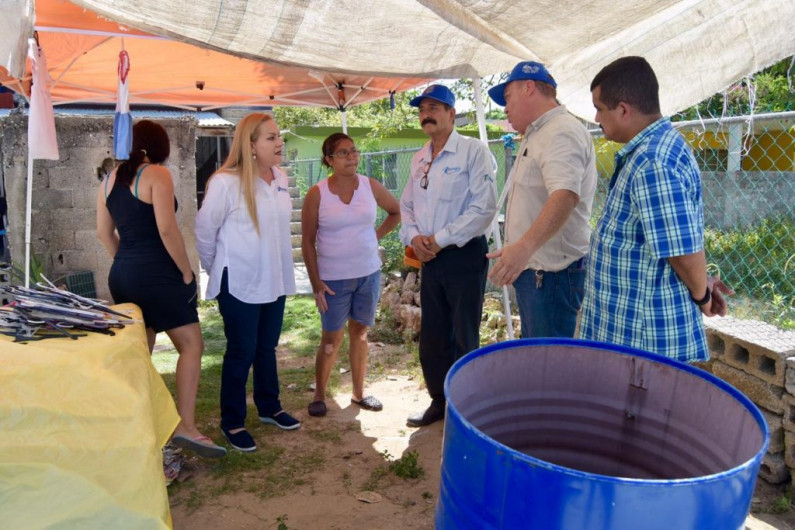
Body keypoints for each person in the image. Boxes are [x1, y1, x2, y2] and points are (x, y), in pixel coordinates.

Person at [579, 56, 732, 362]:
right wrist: (701, 283)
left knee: (634, 410)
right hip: (633, 331)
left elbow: (682, 252)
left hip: (642, 341)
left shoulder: (652, 161)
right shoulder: (654, 150)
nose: (597, 118)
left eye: (599, 109)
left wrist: (701, 295)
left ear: (623, 109)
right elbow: (674, 239)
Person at [96, 120, 226, 458]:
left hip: (123, 273)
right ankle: (186, 426)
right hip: (158, 273)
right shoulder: (157, 175)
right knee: (192, 346)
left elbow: (103, 233)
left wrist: (126, 263)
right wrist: (187, 272)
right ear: (158, 146)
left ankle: (138, 425)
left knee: (142, 352)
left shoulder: (108, 179)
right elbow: (167, 230)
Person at [195, 113, 299, 453]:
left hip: (274, 278)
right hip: (238, 281)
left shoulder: (280, 178)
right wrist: (219, 270)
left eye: (278, 136)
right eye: (270, 138)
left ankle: (270, 407)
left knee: (266, 347)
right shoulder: (225, 182)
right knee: (241, 351)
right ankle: (233, 421)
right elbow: (205, 234)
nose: (279, 142)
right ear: (251, 145)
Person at [400, 84, 497, 427]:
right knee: (434, 334)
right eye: (422, 108)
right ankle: (438, 401)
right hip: (429, 257)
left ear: (452, 114)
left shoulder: (473, 151)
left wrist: (438, 240)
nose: (426, 113)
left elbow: (483, 208)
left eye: (434, 107)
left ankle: (467, 407)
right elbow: (406, 206)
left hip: (463, 254)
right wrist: (415, 239)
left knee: (464, 333)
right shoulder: (419, 157)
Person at [486, 61, 597, 338]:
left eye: (508, 97)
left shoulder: (560, 131)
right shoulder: (539, 133)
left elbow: (565, 195)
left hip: (551, 277)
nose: (505, 108)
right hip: (539, 274)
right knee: (541, 361)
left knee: (550, 369)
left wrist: (522, 248)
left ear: (529, 87)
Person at [302, 133, 401, 417]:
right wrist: (316, 283)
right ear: (329, 160)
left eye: (354, 151)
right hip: (332, 280)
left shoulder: (370, 186)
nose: (352, 157)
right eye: (343, 153)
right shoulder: (317, 194)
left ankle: (358, 394)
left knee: (360, 335)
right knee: (331, 340)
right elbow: (307, 241)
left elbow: (395, 212)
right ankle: (320, 395)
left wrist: (375, 235)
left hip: (368, 275)